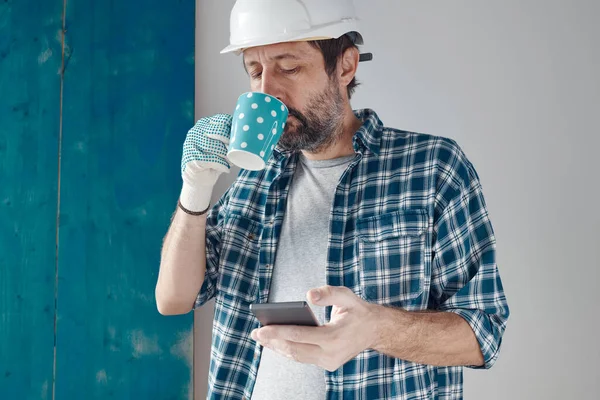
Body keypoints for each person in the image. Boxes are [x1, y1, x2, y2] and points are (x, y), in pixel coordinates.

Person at [155, 0, 510, 398]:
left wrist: (375, 329)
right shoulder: (253, 182)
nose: (267, 91)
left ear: (345, 66)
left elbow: (483, 334)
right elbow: (174, 298)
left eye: (288, 67)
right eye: (255, 72)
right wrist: (194, 192)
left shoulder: (432, 168)